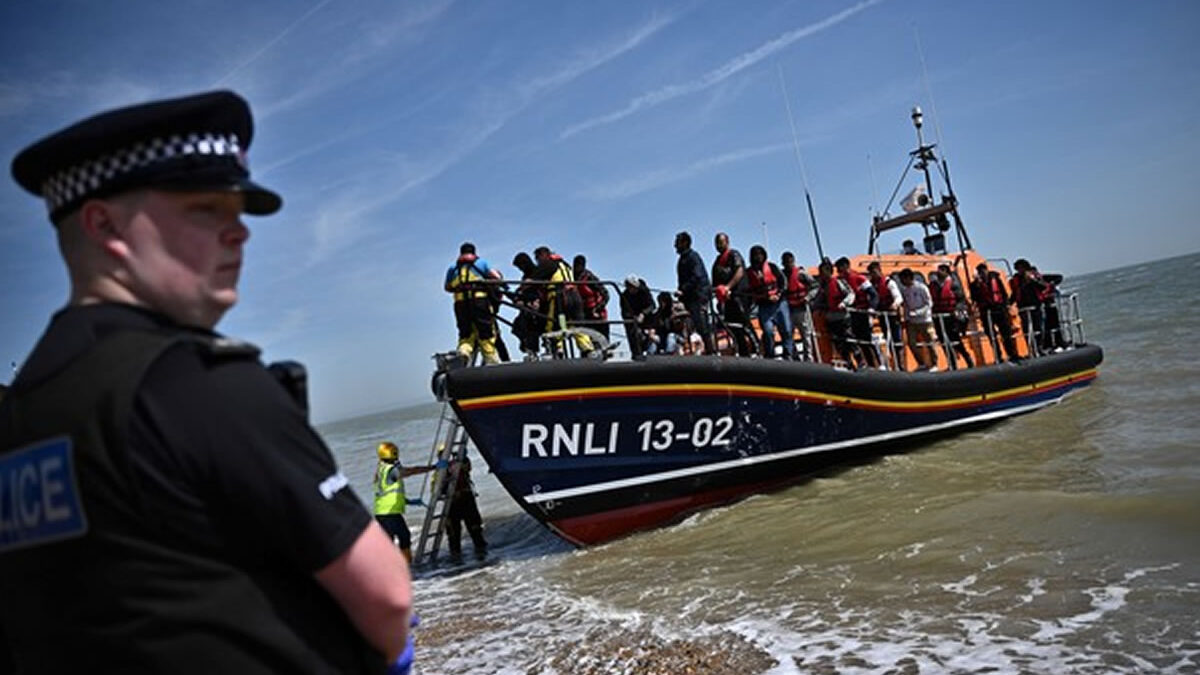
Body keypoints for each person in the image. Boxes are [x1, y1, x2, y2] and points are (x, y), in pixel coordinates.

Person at [0, 91, 413, 673]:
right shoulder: (198, 385)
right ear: (104, 225)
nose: (239, 232)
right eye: (205, 209)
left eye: (238, 212)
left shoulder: (22, 412)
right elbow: (386, 594)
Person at [374, 441, 438, 563]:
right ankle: (407, 566)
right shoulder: (390, 470)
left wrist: (408, 501)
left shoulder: (380, 470)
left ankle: (388, 568)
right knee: (404, 536)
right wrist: (433, 467)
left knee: (389, 541)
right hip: (390, 513)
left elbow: (386, 493)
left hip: (381, 513)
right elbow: (411, 471)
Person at [445, 242, 503, 365]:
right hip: (479, 301)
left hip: (460, 304)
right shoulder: (481, 263)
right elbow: (496, 278)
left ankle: (464, 352)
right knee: (486, 331)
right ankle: (491, 360)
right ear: (474, 253)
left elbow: (447, 287)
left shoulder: (453, 268)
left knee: (465, 333)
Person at [533, 246, 594, 357]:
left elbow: (533, 279)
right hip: (575, 297)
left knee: (553, 323)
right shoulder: (565, 264)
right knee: (577, 324)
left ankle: (556, 349)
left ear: (542, 255)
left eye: (537, 258)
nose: (537, 261)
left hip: (559, 297)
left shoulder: (548, 264)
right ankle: (587, 349)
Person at [746, 245, 794, 359]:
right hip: (764, 307)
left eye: (760, 254)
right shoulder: (749, 273)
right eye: (755, 255)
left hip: (780, 303)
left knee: (786, 330)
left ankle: (788, 355)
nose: (758, 257)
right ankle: (770, 355)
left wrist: (778, 294)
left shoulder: (772, 267)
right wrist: (763, 297)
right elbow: (748, 292)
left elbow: (783, 282)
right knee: (768, 332)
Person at [711, 232, 754, 356]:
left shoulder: (734, 255)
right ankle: (743, 353)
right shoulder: (717, 263)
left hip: (739, 296)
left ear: (727, 242)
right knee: (733, 328)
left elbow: (739, 271)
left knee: (745, 325)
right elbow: (715, 283)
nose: (718, 245)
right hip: (726, 300)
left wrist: (728, 287)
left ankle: (756, 350)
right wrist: (718, 294)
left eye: (720, 242)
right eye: (716, 243)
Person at [969, 262, 1020, 363]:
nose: (982, 273)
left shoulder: (996, 279)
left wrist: (1006, 306)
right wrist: (978, 285)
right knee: (992, 336)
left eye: (983, 271)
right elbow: (974, 298)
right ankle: (998, 356)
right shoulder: (974, 285)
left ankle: (1012, 354)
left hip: (999, 309)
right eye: (980, 272)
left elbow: (1003, 293)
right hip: (986, 312)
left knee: (1006, 333)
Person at [674, 231, 715, 354]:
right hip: (690, 298)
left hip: (699, 296)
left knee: (702, 325)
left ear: (685, 243)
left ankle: (711, 351)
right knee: (693, 325)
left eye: (677, 243)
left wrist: (683, 290)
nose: (675, 246)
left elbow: (697, 277)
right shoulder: (682, 260)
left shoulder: (693, 257)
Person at [816, 259, 861, 370]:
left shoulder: (838, 282)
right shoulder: (822, 287)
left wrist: (844, 303)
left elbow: (850, 294)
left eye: (822, 272)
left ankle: (860, 361)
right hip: (831, 319)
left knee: (849, 339)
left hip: (842, 317)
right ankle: (848, 363)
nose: (821, 275)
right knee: (839, 344)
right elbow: (818, 300)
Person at [835, 257, 880, 368]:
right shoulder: (840, 282)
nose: (839, 272)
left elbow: (873, 294)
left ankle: (877, 364)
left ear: (846, 267)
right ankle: (865, 364)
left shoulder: (859, 278)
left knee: (867, 340)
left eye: (840, 269)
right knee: (856, 341)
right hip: (851, 315)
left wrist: (871, 309)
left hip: (863, 313)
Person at [441, 456, 487, 563]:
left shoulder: (462, 464)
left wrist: (460, 463)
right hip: (452, 504)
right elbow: (436, 489)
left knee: (475, 530)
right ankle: (456, 561)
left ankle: (482, 557)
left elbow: (468, 466)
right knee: (453, 536)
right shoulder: (440, 472)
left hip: (467, 500)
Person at [929, 264, 974, 369]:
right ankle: (952, 363)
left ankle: (967, 359)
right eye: (939, 270)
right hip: (938, 317)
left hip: (950, 316)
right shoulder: (934, 285)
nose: (939, 272)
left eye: (942, 270)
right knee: (943, 341)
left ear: (947, 272)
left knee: (955, 339)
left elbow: (960, 299)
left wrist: (957, 310)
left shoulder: (954, 284)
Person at [868, 261, 906, 371]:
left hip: (892, 315)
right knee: (887, 339)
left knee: (897, 339)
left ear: (879, 271)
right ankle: (892, 364)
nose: (873, 275)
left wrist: (894, 305)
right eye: (871, 273)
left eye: (875, 272)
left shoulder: (889, 282)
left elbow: (898, 297)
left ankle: (900, 365)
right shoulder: (872, 285)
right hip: (882, 316)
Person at [781, 251, 818, 361]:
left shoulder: (801, 274)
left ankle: (808, 358)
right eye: (786, 262)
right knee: (788, 334)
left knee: (805, 334)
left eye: (790, 262)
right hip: (789, 310)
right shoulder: (781, 276)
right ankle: (795, 356)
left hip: (802, 308)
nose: (788, 264)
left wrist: (808, 297)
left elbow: (815, 286)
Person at [898, 268, 938, 371]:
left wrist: (919, 312)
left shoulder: (921, 288)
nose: (902, 282)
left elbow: (929, 303)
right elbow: (906, 305)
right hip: (912, 321)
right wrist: (906, 318)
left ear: (908, 278)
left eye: (903, 279)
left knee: (929, 341)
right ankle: (921, 363)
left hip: (925, 320)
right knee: (911, 343)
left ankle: (934, 364)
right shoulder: (905, 291)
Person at [1010, 258, 1047, 356]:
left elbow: (1043, 286)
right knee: (1026, 330)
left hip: (1035, 306)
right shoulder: (1016, 280)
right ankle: (1031, 349)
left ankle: (1039, 347)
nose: (1020, 270)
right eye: (1018, 268)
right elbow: (1014, 294)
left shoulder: (1034, 275)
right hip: (1023, 308)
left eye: (1021, 268)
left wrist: (1033, 280)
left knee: (1038, 327)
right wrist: (1009, 303)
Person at [510, 252, 544, 359]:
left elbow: (540, 287)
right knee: (517, 326)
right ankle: (528, 347)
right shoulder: (525, 276)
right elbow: (522, 289)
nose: (520, 269)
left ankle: (533, 350)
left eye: (521, 266)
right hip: (526, 306)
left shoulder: (537, 272)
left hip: (537, 306)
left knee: (532, 327)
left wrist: (537, 301)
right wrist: (517, 298)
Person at [573, 254, 610, 341]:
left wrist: (598, 308)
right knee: (586, 335)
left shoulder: (589, 277)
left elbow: (605, 294)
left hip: (595, 311)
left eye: (579, 265)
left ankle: (606, 350)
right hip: (582, 312)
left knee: (601, 335)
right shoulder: (572, 277)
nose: (576, 268)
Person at [619, 274, 655, 356]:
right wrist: (633, 317)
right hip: (632, 321)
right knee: (633, 335)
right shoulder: (624, 296)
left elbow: (652, 305)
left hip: (647, 320)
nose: (631, 289)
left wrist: (643, 314)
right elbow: (624, 311)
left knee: (647, 337)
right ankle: (636, 355)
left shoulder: (644, 292)